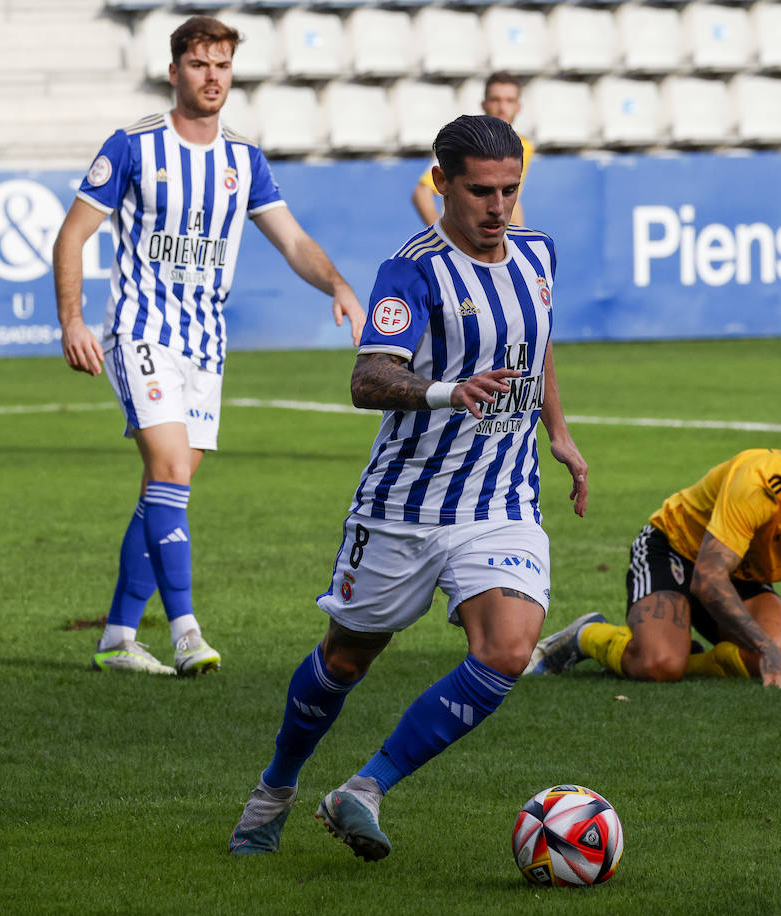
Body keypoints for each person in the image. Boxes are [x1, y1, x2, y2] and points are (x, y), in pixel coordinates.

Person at [227, 114, 588, 859]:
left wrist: (558, 431)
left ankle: (364, 787)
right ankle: (277, 786)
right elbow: (368, 378)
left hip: (502, 500)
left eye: (510, 190)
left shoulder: (538, 253)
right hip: (405, 504)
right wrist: (446, 392)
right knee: (346, 661)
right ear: (442, 184)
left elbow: (538, 343)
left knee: (508, 651)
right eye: (481, 191)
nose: (498, 208)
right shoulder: (412, 271)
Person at [52, 15, 366, 678]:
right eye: (199, 64)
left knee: (165, 486)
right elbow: (72, 234)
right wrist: (73, 320)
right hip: (140, 331)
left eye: (222, 64)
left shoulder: (243, 160)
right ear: (175, 72)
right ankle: (188, 631)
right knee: (169, 470)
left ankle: (116, 638)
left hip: (205, 343)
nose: (212, 76)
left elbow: (293, 241)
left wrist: (336, 284)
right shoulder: (134, 146)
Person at [526, 407, 781, 688]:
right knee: (660, 665)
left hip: (736, 569)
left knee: (780, 648)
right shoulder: (762, 481)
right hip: (673, 547)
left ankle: (682, 652)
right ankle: (586, 636)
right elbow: (707, 579)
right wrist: (764, 649)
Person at [411, 71, 534, 228]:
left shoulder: (524, 146)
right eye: (496, 100)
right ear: (484, 104)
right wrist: (442, 239)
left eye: (509, 101)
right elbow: (421, 193)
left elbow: (511, 197)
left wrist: (519, 237)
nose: (502, 107)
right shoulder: (465, 142)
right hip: (469, 240)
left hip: (500, 244)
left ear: (518, 107)